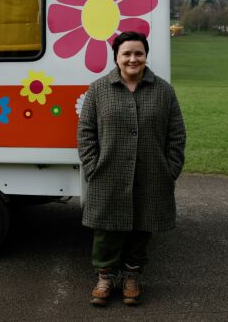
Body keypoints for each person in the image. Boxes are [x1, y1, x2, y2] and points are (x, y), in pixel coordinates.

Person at [77, 31, 186, 306]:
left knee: (142, 228)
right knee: (106, 231)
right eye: (126, 53)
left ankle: (131, 277)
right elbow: (86, 132)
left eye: (138, 53)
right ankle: (105, 277)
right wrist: (93, 167)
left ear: (146, 55)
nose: (133, 59)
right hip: (107, 176)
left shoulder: (164, 91)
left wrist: (169, 169)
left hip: (152, 176)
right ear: (117, 57)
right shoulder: (98, 90)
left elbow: (177, 135)